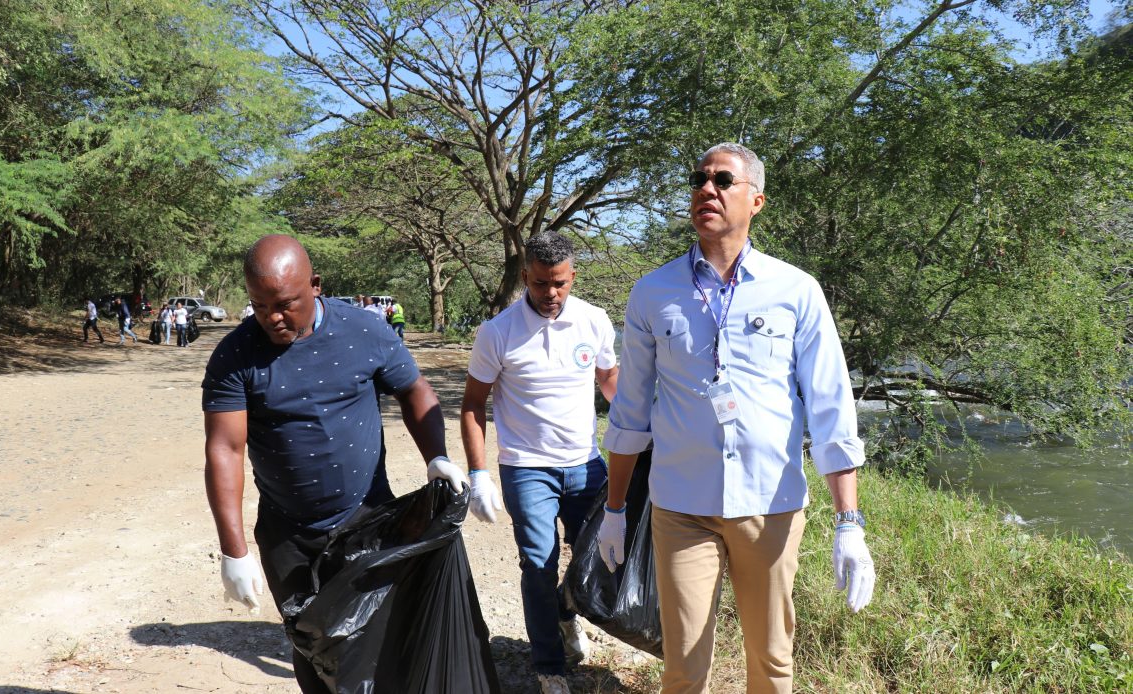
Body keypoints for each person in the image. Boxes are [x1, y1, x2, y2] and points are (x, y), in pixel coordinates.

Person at [597, 143, 876, 694]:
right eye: (699, 179)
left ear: (756, 200)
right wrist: (613, 509)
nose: (708, 188)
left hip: (769, 506)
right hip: (681, 507)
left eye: (723, 179)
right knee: (681, 667)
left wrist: (850, 524)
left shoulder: (795, 290)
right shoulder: (654, 292)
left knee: (772, 662)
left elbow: (829, 407)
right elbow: (629, 411)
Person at [201, 234, 467, 694]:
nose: (273, 318)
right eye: (260, 306)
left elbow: (413, 389)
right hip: (290, 534)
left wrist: (436, 455)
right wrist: (233, 550)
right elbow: (225, 449)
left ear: (316, 284)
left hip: (367, 519)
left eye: (285, 304)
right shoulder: (235, 356)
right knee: (314, 647)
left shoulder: (364, 330)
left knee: (379, 642)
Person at [460, 231, 618, 694]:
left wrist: (640, 424)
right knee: (537, 563)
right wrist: (478, 474)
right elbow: (472, 405)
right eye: (541, 284)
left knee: (599, 554)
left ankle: (567, 612)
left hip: (586, 464)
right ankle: (549, 665)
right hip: (526, 466)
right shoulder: (497, 332)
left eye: (561, 284)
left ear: (573, 277)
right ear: (525, 275)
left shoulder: (595, 320)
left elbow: (609, 378)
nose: (551, 294)